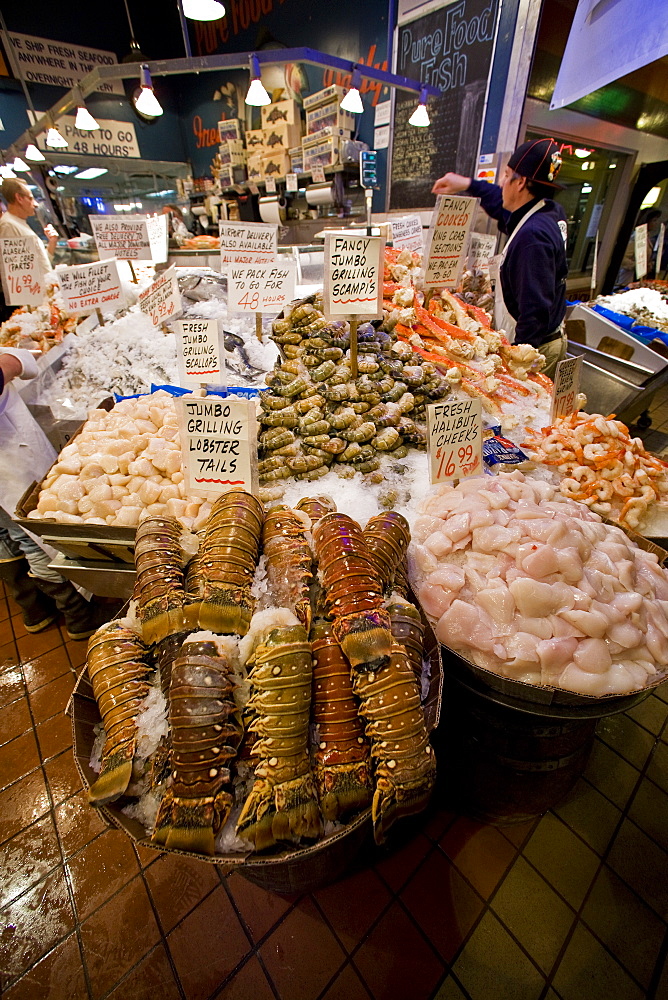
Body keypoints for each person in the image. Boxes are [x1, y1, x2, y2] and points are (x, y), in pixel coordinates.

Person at [432, 137, 569, 378]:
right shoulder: (545, 210)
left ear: (521, 183)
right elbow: (501, 203)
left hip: (534, 348)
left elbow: (535, 310)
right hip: (541, 336)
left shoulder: (533, 237)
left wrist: (516, 366)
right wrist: (465, 183)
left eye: (506, 175)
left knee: (523, 412)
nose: (501, 182)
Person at [0, 346, 106, 640]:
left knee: (5, 538)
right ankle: (77, 614)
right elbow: (11, 365)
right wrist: (12, 360)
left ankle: (33, 608)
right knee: (32, 538)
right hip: (7, 460)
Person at [0, 178, 59, 271]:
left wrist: (52, 242)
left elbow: (40, 264)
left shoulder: (20, 223)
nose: (36, 204)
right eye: (31, 198)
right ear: (19, 198)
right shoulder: (8, 225)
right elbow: (15, 273)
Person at [616, 207, 663, 288]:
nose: (656, 223)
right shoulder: (636, 238)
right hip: (627, 280)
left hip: (637, 279)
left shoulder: (646, 237)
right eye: (654, 220)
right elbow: (623, 259)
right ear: (646, 221)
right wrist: (638, 267)